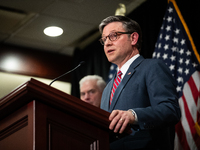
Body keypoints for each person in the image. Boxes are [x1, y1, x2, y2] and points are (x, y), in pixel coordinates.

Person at [99, 15, 181, 150]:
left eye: (113, 36)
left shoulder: (151, 67)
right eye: (104, 39)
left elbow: (170, 110)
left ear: (133, 38)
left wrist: (134, 115)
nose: (107, 43)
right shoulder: (108, 88)